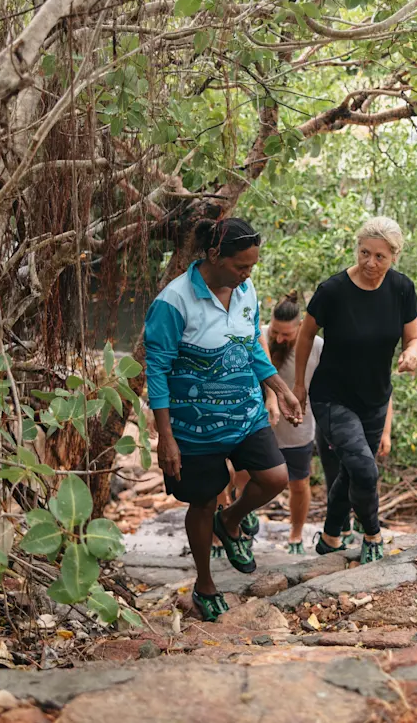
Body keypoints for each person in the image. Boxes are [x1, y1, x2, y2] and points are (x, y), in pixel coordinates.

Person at [143, 217, 303, 620]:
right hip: (192, 425)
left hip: (245, 413)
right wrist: (166, 436)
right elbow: (157, 369)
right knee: (202, 500)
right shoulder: (173, 301)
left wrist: (280, 391)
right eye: (241, 266)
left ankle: (229, 521)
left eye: (251, 267)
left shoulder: (246, 291)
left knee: (276, 478)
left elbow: (250, 346)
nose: (247, 274)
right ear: (214, 255)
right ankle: (205, 583)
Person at [294, 217, 417, 565]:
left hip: (375, 400)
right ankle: (372, 534)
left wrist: (412, 354)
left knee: (351, 470)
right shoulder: (333, 290)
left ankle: (331, 537)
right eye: (364, 252)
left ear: (394, 256)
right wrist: (299, 386)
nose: (370, 262)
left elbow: (413, 337)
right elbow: (305, 335)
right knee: (365, 470)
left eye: (380, 256)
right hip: (332, 397)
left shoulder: (401, 289)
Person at [263, 292, 322, 553]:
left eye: (286, 334)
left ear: (299, 327)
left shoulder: (316, 346)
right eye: (276, 331)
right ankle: (239, 526)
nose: (279, 339)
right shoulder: (260, 336)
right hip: (261, 426)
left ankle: (296, 536)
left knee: (299, 484)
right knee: (242, 476)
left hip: (299, 429)